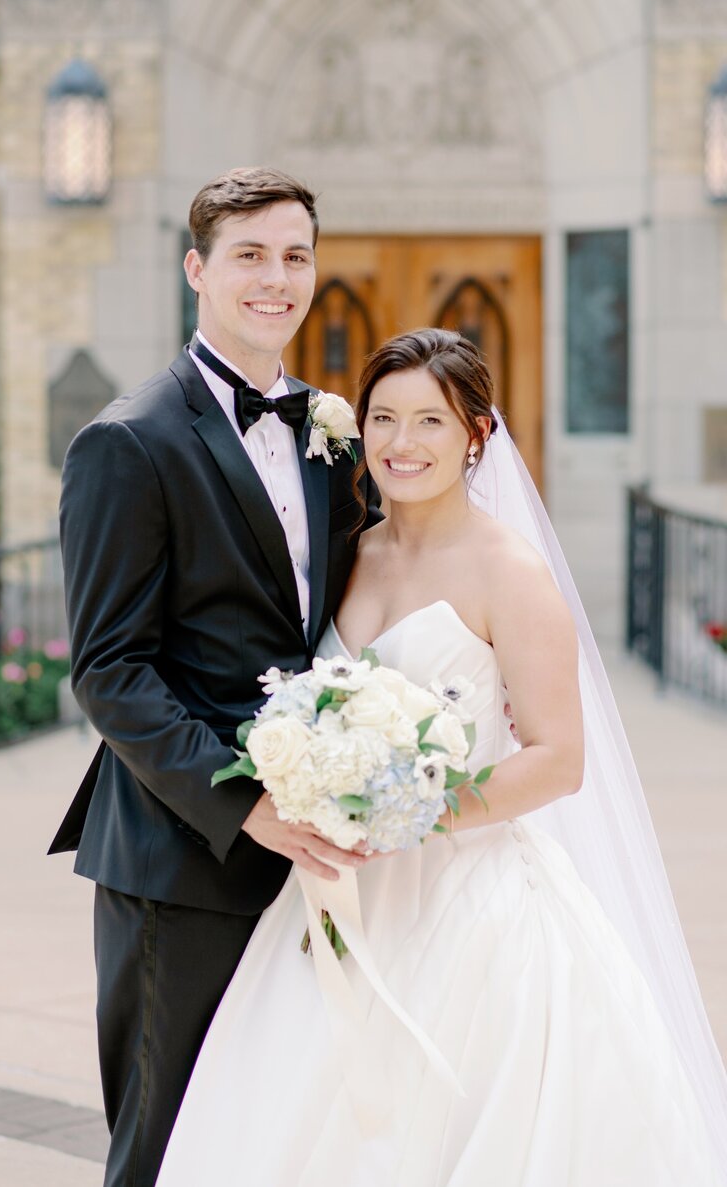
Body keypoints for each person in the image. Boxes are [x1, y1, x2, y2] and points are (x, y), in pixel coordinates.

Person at [156, 328, 727, 1186]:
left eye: (430, 420)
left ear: (476, 435)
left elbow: (557, 758)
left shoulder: (510, 571)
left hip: (474, 901)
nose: (400, 443)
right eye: (382, 417)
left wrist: (407, 813)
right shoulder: (350, 553)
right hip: (342, 888)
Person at [47, 166, 382, 1187]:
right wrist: (245, 805)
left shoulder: (327, 437)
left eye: (293, 256)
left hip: (310, 855)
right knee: (163, 1144)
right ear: (197, 269)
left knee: (272, 1143)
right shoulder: (128, 441)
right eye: (248, 255)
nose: (274, 278)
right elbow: (108, 671)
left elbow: (344, 612)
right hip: (178, 860)